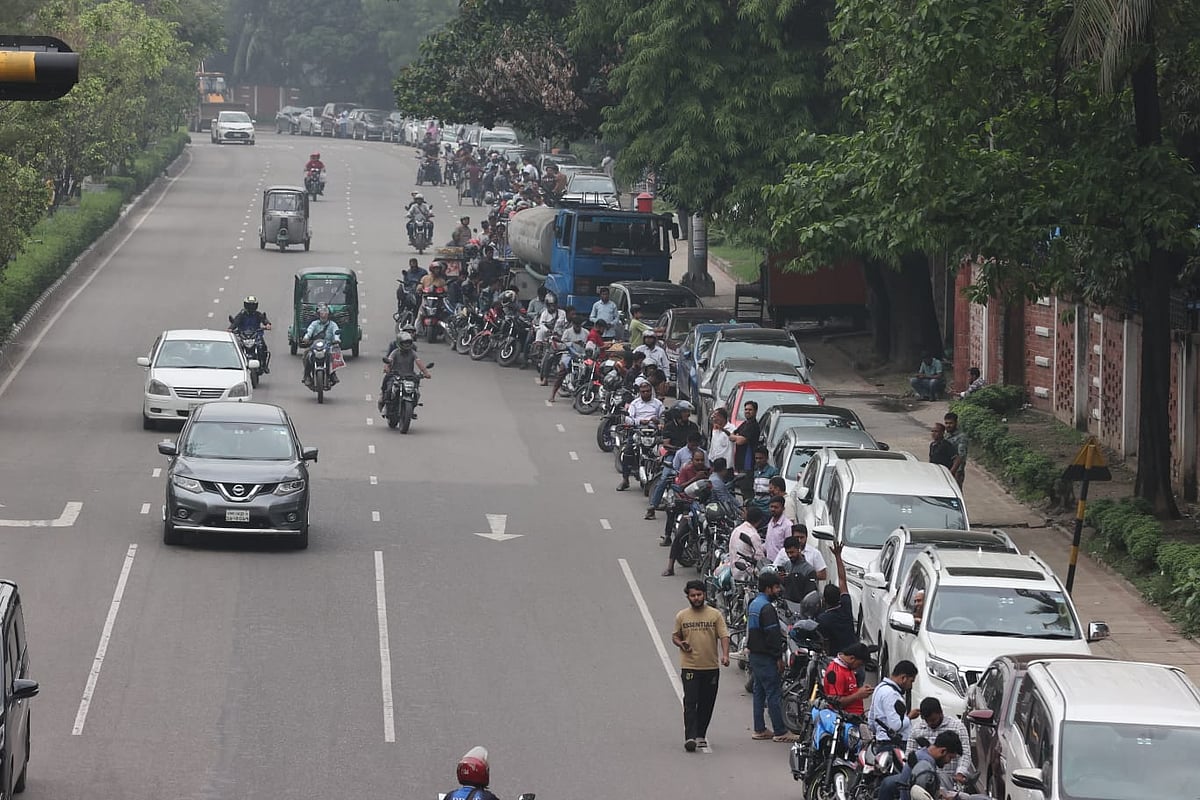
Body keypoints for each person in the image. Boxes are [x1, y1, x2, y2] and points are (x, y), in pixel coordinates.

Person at [672, 580, 730, 752]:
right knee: (690, 701)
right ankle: (690, 737)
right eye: (692, 595)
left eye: (699, 595)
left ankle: (700, 735)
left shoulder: (715, 615)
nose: (696, 598)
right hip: (690, 666)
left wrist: (725, 655)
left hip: (710, 667)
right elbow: (675, 636)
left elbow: (724, 636)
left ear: (704, 594)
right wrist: (681, 643)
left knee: (707, 702)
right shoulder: (682, 616)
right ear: (688, 597)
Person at [747, 572, 798, 742]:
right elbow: (772, 635)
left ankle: (759, 729)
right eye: (776, 587)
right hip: (766, 656)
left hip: (755, 655)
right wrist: (778, 658)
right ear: (768, 588)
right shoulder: (767, 608)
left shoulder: (754, 603)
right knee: (773, 693)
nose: (778, 590)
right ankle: (780, 731)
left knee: (759, 691)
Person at [646, 404, 702, 519]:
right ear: (678, 413)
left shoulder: (693, 426)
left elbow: (699, 441)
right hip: (673, 454)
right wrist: (679, 450)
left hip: (692, 454)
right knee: (665, 478)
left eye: (688, 411)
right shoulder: (669, 427)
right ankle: (652, 507)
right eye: (685, 411)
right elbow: (666, 444)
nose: (688, 414)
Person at [879, 731, 968, 800]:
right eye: (950, 758)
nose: (949, 762)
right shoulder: (925, 767)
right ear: (943, 751)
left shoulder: (923, 754)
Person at [907, 697, 975, 787]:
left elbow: (965, 754)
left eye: (933, 720)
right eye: (927, 721)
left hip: (950, 782)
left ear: (941, 713)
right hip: (924, 783)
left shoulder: (958, 727)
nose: (930, 723)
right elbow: (909, 754)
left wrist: (960, 772)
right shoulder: (916, 730)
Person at [617, 380, 664, 490]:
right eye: (643, 391)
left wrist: (658, 422)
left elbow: (663, 418)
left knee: (661, 453)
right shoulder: (635, 404)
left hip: (653, 432)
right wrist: (639, 421)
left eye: (648, 391)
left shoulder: (658, 404)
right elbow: (628, 418)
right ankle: (625, 480)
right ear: (640, 392)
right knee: (628, 451)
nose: (646, 393)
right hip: (638, 431)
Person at [816, 543, 858, 656]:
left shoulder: (823, 619)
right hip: (853, 654)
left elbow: (825, 643)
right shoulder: (846, 605)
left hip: (837, 658)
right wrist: (838, 557)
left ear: (824, 600)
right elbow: (842, 580)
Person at [378, 331, 432, 413]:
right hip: (395, 375)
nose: (406, 345)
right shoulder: (395, 352)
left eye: (408, 343)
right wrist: (387, 368)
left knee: (416, 390)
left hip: (409, 376)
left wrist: (425, 373)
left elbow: (419, 362)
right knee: (388, 388)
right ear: (399, 343)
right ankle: (385, 402)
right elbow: (389, 361)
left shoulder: (412, 353)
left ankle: (413, 405)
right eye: (404, 343)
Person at [868, 660, 919, 747]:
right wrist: (910, 717)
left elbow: (871, 720)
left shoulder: (880, 688)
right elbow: (895, 726)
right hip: (894, 744)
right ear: (904, 678)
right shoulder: (892, 694)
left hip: (881, 742)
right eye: (911, 681)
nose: (911, 686)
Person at [823, 641, 873, 716]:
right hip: (846, 719)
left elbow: (848, 692)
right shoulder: (836, 673)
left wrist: (861, 691)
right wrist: (858, 695)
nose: (859, 668)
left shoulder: (847, 667)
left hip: (856, 715)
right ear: (852, 658)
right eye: (859, 664)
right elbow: (836, 704)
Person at [549, 314, 589, 403]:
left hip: (582, 356)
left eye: (579, 326)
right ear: (573, 324)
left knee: (588, 373)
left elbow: (589, 345)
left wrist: (585, 346)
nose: (577, 327)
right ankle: (553, 394)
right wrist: (573, 343)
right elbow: (563, 344)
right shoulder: (567, 332)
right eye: (576, 325)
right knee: (562, 372)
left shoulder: (586, 332)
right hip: (569, 355)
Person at [227, 295, 272, 373]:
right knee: (236, 348)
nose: (251, 307)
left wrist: (267, 324)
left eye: (253, 305)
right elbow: (235, 322)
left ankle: (264, 365)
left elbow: (264, 320)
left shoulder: (258, 314)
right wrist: (230, 328)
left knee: (263, 347)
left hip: (256, 335)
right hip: (243, 336)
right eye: (249, 305)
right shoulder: (242, 314)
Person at [774, 535, 820, 608]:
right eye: (787, 553)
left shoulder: (809, 570)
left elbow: (810, 596)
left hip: (799, 609)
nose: (790, 555)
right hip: (785, 608)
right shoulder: (785, 566)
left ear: (799, 549)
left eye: (792, 552)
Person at [301, 304, 340, 386]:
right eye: (321, 313)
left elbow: (336, 332)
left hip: (328, 346)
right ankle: (307, 375)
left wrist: (336, 339)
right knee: (306, 354)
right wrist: (306, 338)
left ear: (328, 314)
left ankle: (333, 374)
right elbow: (309, 331)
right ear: (318, 314)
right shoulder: (314, 324)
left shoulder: (333, 325)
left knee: (336, 352)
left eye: (325, 312)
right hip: (315, 345)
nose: (323, 315)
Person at [731, 400, 761, 476]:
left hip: (747, 463)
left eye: (750, 410)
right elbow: (732, 435)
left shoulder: (753, 426)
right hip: (739, 461)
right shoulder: (745, 424)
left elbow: (740, 441)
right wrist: (737, 437)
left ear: (755, 411)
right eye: (746, 409)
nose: (747, 411)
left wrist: (737, 438)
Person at [763, 494, 793, 562]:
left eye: (776, 507)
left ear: (783, 508)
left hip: (781, 564)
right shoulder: (770, 523)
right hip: (768, 562)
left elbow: (789, 547)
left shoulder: (788, 526)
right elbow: (768, 544)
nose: (773, 509)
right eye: (771, 507)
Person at [944, 411, 968, 488]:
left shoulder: (961, 437)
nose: (948, 425)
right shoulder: (946, 435)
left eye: (951, 423)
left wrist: (957, 472)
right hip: (946, 469)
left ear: (956, 423)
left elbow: (961, 456)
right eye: (946, 423)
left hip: (956, 471)